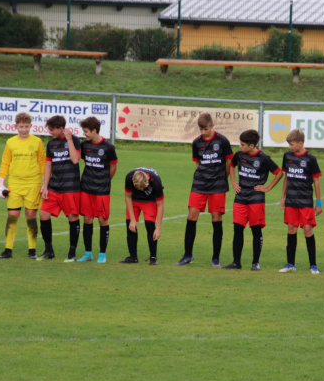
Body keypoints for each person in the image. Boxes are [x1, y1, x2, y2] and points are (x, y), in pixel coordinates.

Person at [175, 113, 233, 267]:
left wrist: (223, 178)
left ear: (212, 126)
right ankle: (187, 255)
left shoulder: (222, 141)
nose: (203, 132)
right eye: (200, 129)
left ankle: (215, 258)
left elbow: (230, 162)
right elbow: (197, 163)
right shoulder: (196, 143)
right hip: (199, 184)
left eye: (206, 129)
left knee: (216, 218)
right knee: (191, 216)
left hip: (218, 185)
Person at [223, 130, 283, 270]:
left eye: (242, 145)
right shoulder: (239, 155)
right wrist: (233, 182)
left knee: (256, 230)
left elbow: (279, 173)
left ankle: (255, 263)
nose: (240, 147)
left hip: (256, 198)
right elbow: (232, 165)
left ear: (251, 146)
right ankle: (236, 262)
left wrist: (267, 188)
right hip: (240, 196)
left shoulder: (263, 158)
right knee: (238, 228)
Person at [0, 112, 46, 259]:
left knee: (31, 215)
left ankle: (32, 250)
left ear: (31, 126)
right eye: (21, 126)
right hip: (15, 184)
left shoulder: (37, 141)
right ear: (16, 126)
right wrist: (1, 183)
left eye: (26, 126)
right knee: (12, 216)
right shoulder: (10, 142)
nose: (24, 129)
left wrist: (45, 184)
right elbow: (5, 162)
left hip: (33, 183)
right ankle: (8, 250)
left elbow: (43, 163)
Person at [38, 115, 81, 262]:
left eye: (52, 130)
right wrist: (45, 186)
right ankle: (48, 250)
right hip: (54, 188)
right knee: (43, 215)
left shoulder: (74, 140)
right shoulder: (51, 144)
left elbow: (75, 159)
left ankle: (72, 253)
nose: (50, 132)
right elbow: (48, 165)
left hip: (71, 188)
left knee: (72, 217)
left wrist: (68, 139)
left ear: (61, 129)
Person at [279, 129, 322, 274]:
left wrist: (319, 202)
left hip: (305, 202)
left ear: (300, 143)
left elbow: (316, 181)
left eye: (291, 144)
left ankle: (313, 265)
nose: (289, 147)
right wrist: (282, 197)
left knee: (307, 230)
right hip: (291, 200)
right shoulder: (287, 156)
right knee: (291, 229)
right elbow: (286, 177)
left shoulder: (311, 158)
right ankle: (290, 264)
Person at [76, 116, 118, 264]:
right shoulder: (84, 145)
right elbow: (80, 159)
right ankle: (88, 253)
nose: (84, 134)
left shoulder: (108, 147)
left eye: (86, 131)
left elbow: (113, 166)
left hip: (102, 190)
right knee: (87, 219)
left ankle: (102, 253)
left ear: (94, 130)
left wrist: (106, 180)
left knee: (102, 220)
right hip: (86, 188)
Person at [120, 167, 165, 266]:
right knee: (130, 225)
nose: (142, 190)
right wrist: (132, 220)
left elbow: (160, 205)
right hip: (134, 200)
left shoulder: (155, 181)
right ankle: (133, 257)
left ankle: (153, 257)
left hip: (149, 200)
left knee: (150, 224)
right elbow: (127, 197)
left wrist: (158, 228)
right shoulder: (129, 177)